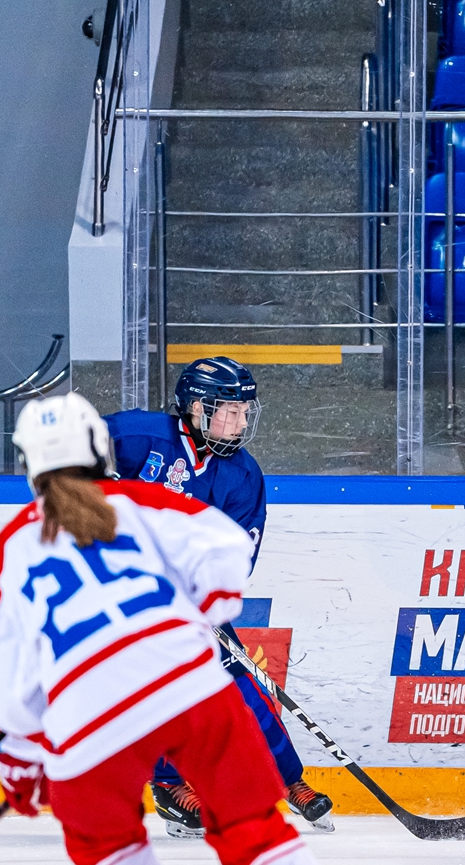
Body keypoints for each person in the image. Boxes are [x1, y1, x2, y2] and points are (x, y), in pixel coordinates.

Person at [0, 392, 402, 865]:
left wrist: (21, 761)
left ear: (31, 467)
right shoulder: (142, 503)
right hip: (191, 686)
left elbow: (14, 684)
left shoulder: (4, 552)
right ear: (101, 450)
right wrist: (202, 608)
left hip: (88, 720)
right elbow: (226, 551)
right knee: (251, 830)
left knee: (105, 846)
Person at [104, 356, 333, 837]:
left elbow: (237, 552)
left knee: (244, 685)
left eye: (245, 411)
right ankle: (170, 785)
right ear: (194, 408)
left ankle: (286, 779)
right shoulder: (136, 436)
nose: (241, 421)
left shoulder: (242, 475)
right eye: (229, 410)